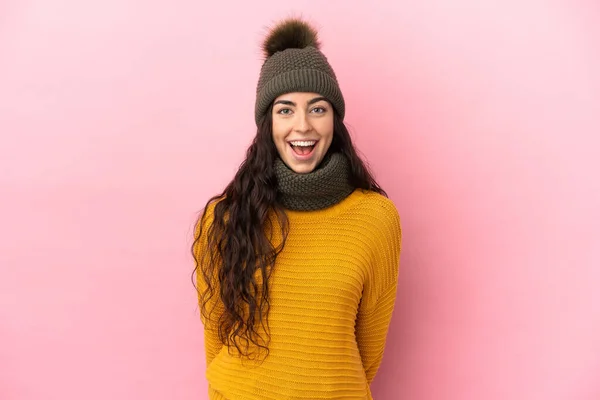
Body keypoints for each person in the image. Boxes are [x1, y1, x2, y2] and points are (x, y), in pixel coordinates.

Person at [192, 17, 402, 400]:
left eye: (317, 109)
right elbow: (216, 333)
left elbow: (368, 348)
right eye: (285, 110)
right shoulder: (224, 217)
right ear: (267, 122)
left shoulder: (375, 218)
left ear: (334, 120)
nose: (302, 126)